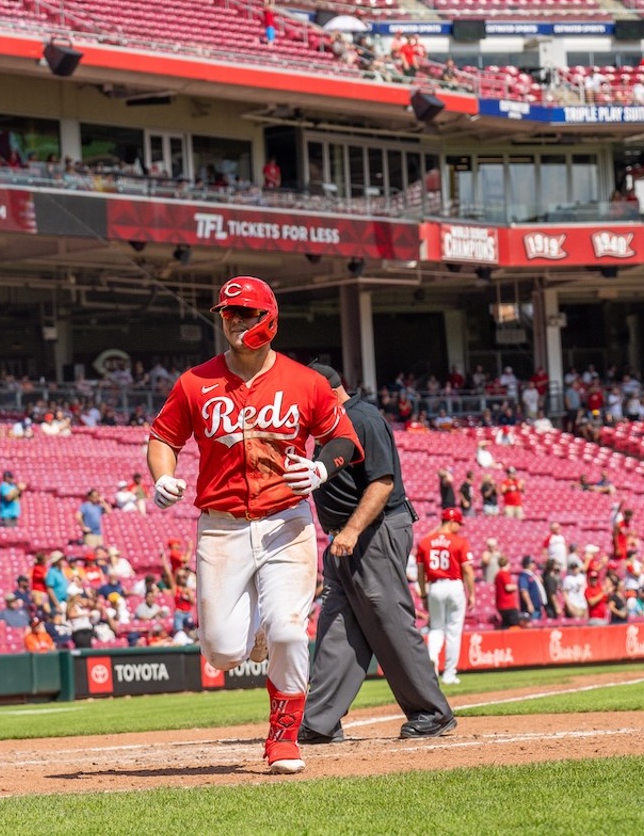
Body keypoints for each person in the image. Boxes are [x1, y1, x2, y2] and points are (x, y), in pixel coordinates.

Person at [148, 276, 362, 775]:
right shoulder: (194, 382)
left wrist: (321, 468)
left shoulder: (305, 381)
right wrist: (162, 477)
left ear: (268, 317)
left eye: (244, 313)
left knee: (290, 631)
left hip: (286, 521)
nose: (235, 321)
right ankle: (258, 636)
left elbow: (342, 439)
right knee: (222, 652)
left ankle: (283, 737)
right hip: (220, 527)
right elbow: (163, 438)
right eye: (227, 313)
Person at [300, 363, 454, 743]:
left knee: (389, 619)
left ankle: (431, 712)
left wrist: (351, 530)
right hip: (344, 537)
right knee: (336, 625)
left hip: (374, 530)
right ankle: (320, 722)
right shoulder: (328, 425)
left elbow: (382, 483)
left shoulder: (363, 418)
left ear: (328, 391)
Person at [416, 508, 475, 686]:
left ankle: (433, 657)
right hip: (454, 585)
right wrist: (471, 593)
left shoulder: (425, 542)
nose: (459, 527)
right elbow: (467, 570)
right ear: (451, 522)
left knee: (436, 628)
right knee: (453, 631)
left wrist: (424, 594)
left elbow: (420, 573)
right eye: (458, 523)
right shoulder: (459, 542)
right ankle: (449, 673)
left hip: (434, 586)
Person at [493, 555, 519, 628]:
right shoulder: (504, 573)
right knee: (514, 625)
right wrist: (516, 586)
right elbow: (508, 587)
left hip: (500, 604)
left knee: (505, 625)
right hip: (508, 604)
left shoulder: (497, 574)